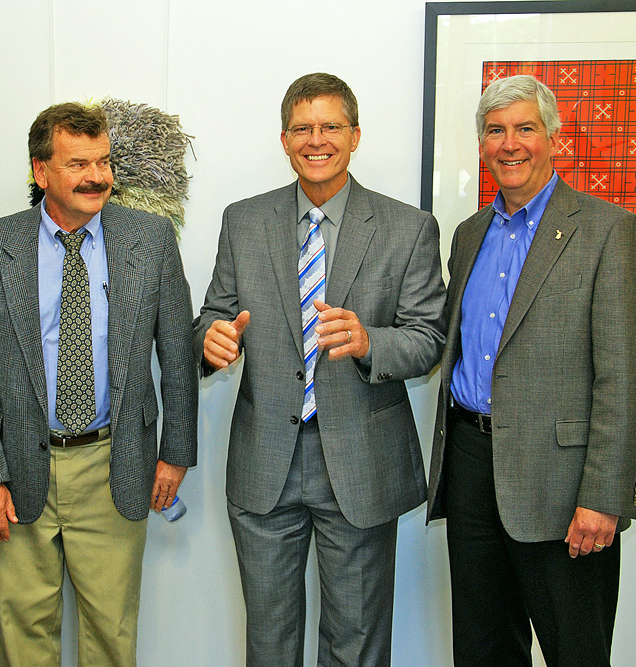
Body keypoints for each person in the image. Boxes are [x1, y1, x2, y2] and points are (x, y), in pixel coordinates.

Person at [194, 72, 446, 665]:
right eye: (302, 128)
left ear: (355, 135)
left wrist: (369, 342)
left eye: (331, 126)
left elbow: (429, 339)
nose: (317, 140)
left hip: (360, 462)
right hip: (265, 464)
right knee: (270, 644)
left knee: (355, 645)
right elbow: (212, 315)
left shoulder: (408, 228)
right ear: (284, 139)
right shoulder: (243, 220)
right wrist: (211, 341)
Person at [426, 74, 636, 666]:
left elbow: (623, 382)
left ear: (554, 138)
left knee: (575, 651)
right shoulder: (469, 234)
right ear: (482, 145)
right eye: (496, 132)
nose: (510, 144)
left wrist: (605, 497)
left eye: (525, 128)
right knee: (482, 650)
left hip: (564, 485)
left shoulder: (610, 232)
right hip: (473, 469)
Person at [0, 102, 198, 667]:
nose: (97, 176)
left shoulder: (151, 239)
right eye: (78, 164)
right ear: (41, 173)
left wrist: (175, 454)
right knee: (24, 636)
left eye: (104, 162)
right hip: (18, 468)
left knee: (111, 636)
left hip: (114, 461)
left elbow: (176, 354)